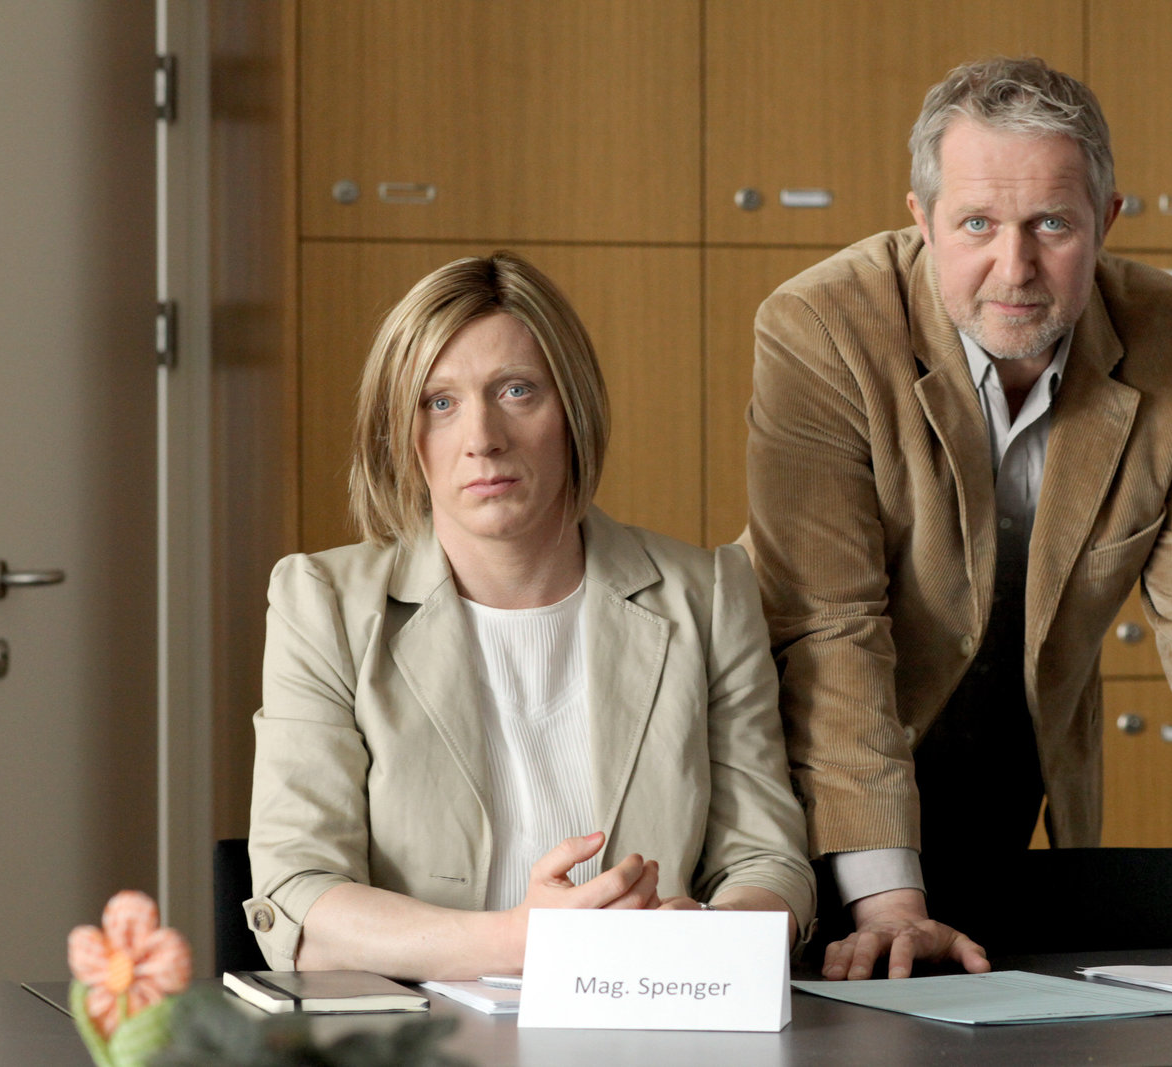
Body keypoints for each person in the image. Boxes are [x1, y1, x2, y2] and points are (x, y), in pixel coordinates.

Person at [744, 56, 1172, 980]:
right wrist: (890, 903)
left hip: (1014, 775)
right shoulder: (820, 326)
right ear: (922, 219)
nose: (1014, 269)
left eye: (1052, 224)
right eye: (977, 223)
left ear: (1106, 220)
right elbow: (829, 626)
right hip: (807, 784)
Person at [247, 251, 815, 979]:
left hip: (648, 1014)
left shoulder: (707, 595)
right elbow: (299, 898)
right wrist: (523, 941)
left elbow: (767, 860)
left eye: (516, 391)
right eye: (439, 403)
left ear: (574, 408)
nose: (482, 437)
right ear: (399, 431)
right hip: (420, 1029)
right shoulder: (322, 603)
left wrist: (712, 933)